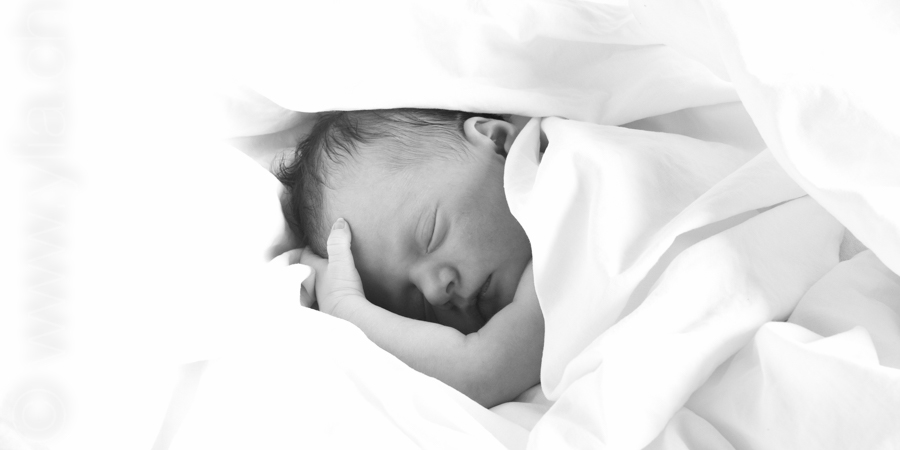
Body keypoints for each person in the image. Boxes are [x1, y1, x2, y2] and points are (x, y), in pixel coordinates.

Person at [277, 109, 545, 408]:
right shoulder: (544, 283)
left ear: (497, 140)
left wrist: (345, 308)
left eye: (431, 235)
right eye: (417, 304)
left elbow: (480, 372)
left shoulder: (570, 192)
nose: (434, 292)